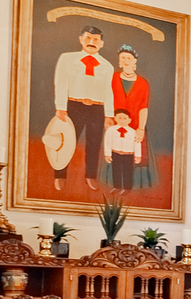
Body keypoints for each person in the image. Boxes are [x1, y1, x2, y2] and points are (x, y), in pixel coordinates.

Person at [52, 25, 113, 194]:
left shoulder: (107, 66)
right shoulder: (67, 59)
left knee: (94, 143)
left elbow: (108, 91)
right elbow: (60, 83)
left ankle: (91, 176)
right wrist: (61, 108)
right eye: (88, 38)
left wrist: (109, 115)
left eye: (96, 40)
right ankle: (60, 175)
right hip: (73, 106)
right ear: (81, 39)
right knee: (66, 141)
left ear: (101, 43)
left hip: (97, 108)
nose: (91, 42)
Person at [110, 45, 152, 194]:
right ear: (119, 61)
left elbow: (143, 107)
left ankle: (129, 186)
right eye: (123, 58)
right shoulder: (113, 78)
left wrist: (140, 128)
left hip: (135, 125)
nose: (125, 61)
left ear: (135, 61)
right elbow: (107, 99)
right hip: (115, 124)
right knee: (115, 155)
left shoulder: (143, 83)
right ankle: (116, 184)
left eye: (129, 58)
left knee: (133, 157)